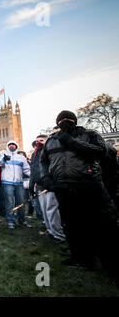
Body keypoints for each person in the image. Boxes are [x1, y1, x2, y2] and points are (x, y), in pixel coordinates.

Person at [40, 110, 119, 283]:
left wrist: (72, 142)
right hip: (64, 188)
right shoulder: (52, 141)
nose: (64, 123)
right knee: (72, 225)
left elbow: (101, 152)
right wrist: (46, 177)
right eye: (61, 121)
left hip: (89, 186)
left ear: (74, 121)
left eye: (67, 120)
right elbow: (43, 161)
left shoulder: (89, 134)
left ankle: (112, 266)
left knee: (102, 226)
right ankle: (81, 258)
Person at [30, 135, 65, 242]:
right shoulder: (34, 154)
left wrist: (51, 182)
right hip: (40, 186)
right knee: (45, 210)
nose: (38, 143)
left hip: (49, 185)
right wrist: (32, 185)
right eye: (37, 141)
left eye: (41, 141)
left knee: (52, 210)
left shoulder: (50, 152)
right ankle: (51, 231)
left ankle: (59, 234)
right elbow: (34, 170)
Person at [0, 140, 31, 229]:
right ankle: (11, 221)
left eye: (13, 145)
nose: (12, 146)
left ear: (16, 147)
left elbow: (27, 169)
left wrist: (33, 177)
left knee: (21, 202)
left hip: (19, 183)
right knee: (9, 202)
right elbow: (0, 164)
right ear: (7, 146)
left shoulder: (21, 158)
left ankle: (22, 220)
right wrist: (4, 159)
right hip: (7, 182)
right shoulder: (3, 155)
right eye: (10, 145)